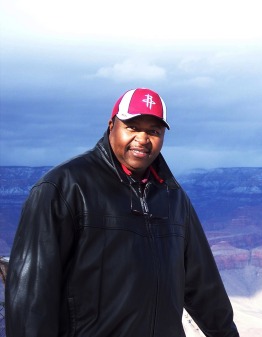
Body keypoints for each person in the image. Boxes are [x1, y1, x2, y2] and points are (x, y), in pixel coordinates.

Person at [5, 88, 240, 337]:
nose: (142, 138)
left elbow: (204, 286)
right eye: (132, 127)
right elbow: (31, 298)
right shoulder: (64, 188)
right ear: (111, 125)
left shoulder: (173, 197)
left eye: (153, 131)